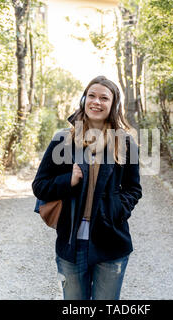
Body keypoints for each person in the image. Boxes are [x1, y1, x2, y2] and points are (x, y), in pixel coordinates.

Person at [32, 75, 142, 300]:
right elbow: (40, 186)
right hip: (71, 245)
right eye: (91, 95)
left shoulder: (125, 142)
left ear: (113, 105)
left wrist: (117, 210)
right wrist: (67, 181)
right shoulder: (63, 139)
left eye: (104, 98)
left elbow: (134, 188)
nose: (96, 102)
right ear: (84, 99)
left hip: (111, 244)